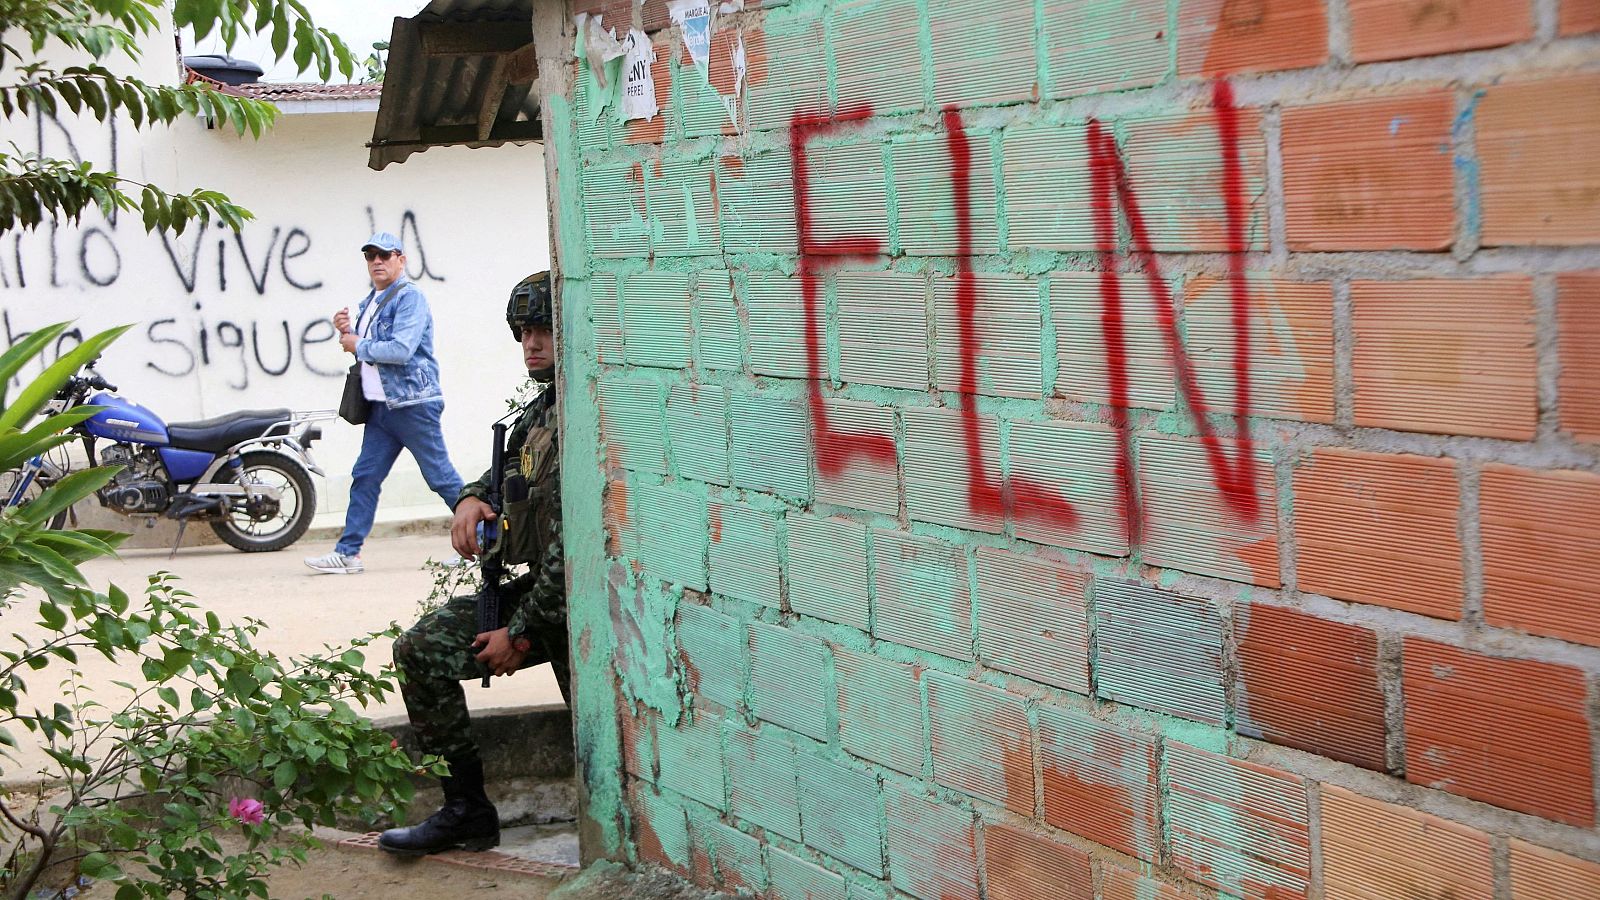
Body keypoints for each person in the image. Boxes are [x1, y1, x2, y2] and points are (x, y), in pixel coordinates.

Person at [377, 272, 568, 856]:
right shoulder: (542, 414)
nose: (532, 343)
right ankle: (466, 810)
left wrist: (520, 635)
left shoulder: (588, 415)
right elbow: (507, 471)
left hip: (580, 606)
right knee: (421, 649)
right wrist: (470, 497)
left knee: (605, 742)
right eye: (524, 332)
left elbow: (573, 555)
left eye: (545, 329)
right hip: (546, 598)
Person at [304, 232, 464, 575]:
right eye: (370, 256)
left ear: (401, 260)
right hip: (381, 408)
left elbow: (401, 349)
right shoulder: (371, 301)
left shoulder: (410, 298)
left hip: (412, 405)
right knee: (365, 476)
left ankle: (484, 541)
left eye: (385, 255)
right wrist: (346, 329)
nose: (377, 261)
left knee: (440, 477)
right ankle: (348, 553)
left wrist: (357, 344)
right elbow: (364, 343)